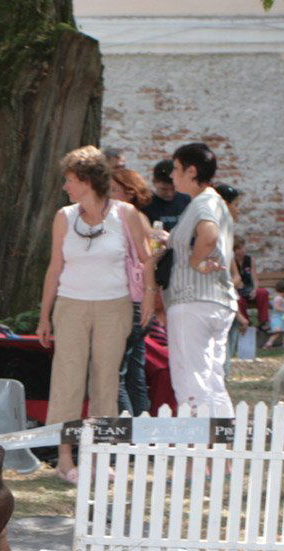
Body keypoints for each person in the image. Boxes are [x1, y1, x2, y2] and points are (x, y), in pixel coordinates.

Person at [36, 146, 154, 482]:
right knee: (67, 379)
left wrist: (148, 297)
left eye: (70, 180)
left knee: (106, 380)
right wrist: (45, 315)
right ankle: (64, 460)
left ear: (87, 181)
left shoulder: (125, 214)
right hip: (71, 304)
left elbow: (146, 259)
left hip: (114, 305)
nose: (65, 186)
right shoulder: (64, 216)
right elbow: (54, 267)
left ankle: (101, 457)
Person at [163, 142, 237, 415]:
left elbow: (208, 235)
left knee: (190, 380)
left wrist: (194, 260)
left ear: (191, 171)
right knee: (213, 381)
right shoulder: (216, 202)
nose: (172, 175)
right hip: (217, 301)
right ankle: (221, 453)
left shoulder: (203, 202)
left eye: (176, 168)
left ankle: (199, 453)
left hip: (192, 300)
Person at [109, 167, 162, 415]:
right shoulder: (139, 217)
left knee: (114, 375)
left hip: (129, 300)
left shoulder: (127, 218)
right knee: (134, 374)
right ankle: (143, 436)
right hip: (140, 301)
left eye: (114, 190)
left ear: (129, 193)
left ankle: (127, 437)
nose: (107, 195)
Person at [231, 235, 269, 331]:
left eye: (243, 247)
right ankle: (246, 323)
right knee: (239, 301)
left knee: (263, 293)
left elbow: (255, 278)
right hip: (238, 290)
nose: (243, 250)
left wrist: (255, 290)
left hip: (250, 289)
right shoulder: (231, 261)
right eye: (239, 248)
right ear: (234, 250)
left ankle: (263, 322)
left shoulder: (250, 259)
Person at [140, 158, 190, 231]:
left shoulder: (187, 201)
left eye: (174, 188)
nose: (170, 194)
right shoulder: (145, 205)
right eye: (164, 189)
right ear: (154, 182)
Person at [264, 278, 284, 350]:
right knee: (277, 333)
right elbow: (276, 308)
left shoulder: (282, 299)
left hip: (283, 318)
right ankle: (268, 344)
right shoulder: (278, 299)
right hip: (278, 318)